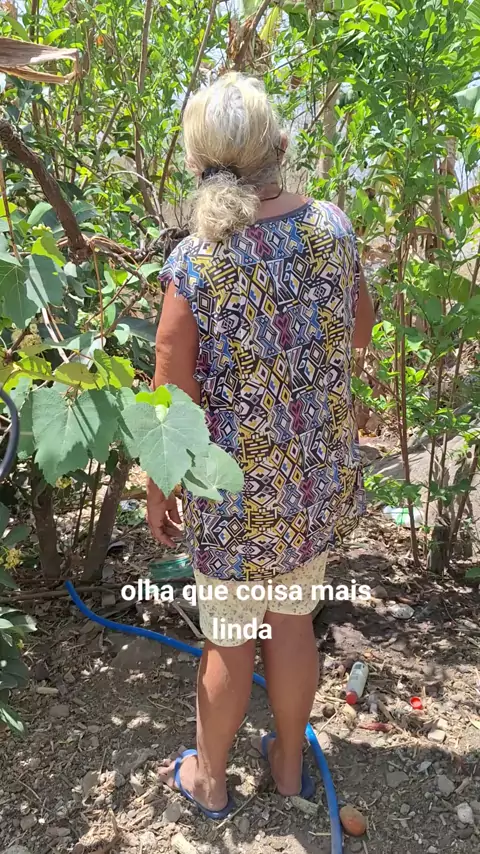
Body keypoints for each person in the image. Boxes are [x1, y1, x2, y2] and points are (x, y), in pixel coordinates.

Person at [147, 72, 375, 819]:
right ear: (280, 145)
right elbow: (359, 331)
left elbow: (172, 392)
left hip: (232, 494)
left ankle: (210, 781)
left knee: (230, 637)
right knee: (293, 623)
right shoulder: (332, 228)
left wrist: (160, 484)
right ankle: (287, 763)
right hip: (309, 483)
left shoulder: (196, 261)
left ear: (196, 162)